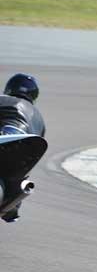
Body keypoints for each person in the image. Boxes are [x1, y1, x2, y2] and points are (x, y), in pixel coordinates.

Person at [0, 74, 46, 222]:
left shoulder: (3, 99)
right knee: (17, 177)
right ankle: (14, 203)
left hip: (4, 140)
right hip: (21, 153)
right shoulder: (40, 120)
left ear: (9, 88)